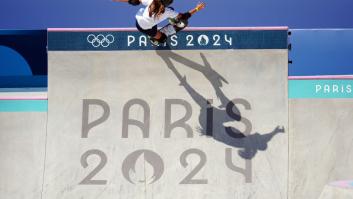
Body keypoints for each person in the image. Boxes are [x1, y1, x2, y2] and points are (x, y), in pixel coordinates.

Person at [113, 0, 205, 45]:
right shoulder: (167, 11)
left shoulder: (150, 0)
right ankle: (159, 35)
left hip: (139, 23)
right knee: (162, 39)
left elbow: (133, 0)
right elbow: (184, 16)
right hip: (146, 29)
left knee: (171, 13)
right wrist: (197, 9)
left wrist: (117, 0)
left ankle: (170, 22)